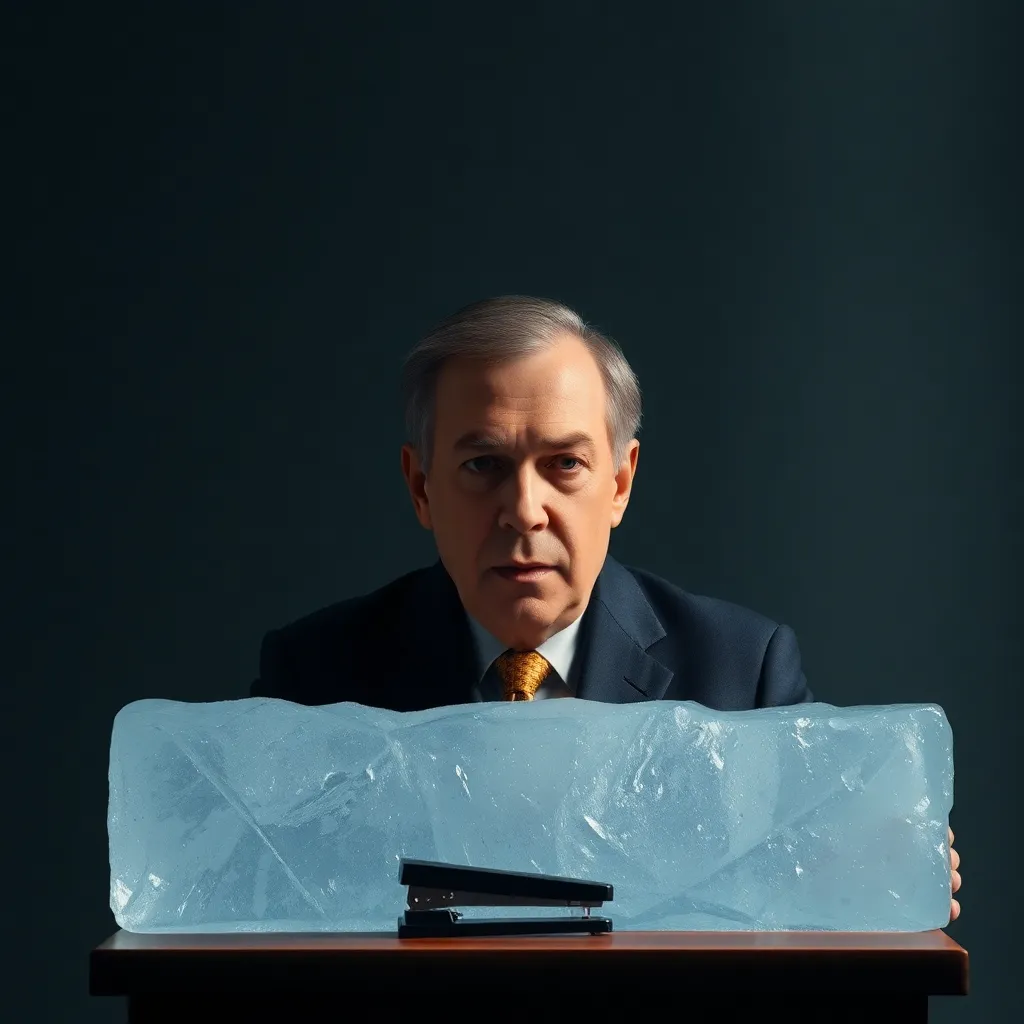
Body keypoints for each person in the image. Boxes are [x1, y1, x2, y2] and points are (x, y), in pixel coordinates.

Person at [249, 294, 960, 921]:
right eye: (482, 465)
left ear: (620, 483)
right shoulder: (314, 678)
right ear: (421, 487)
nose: (525, 512)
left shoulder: (743, 676)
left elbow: (813, 891)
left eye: (565, 465)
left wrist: (874, 868)